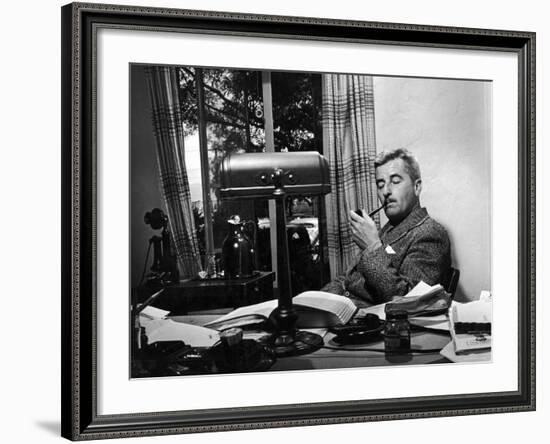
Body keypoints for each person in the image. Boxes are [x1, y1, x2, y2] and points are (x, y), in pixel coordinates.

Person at [321, 148, 451, 307]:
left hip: (372, 324)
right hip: (342, 311)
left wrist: (372, 246)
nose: (386, 191)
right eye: (380, 184)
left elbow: (408, 300)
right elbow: (348, 278)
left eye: (395, 181)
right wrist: (320, 299)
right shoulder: (389, 228)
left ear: (417, 187)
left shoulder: (431, 233)